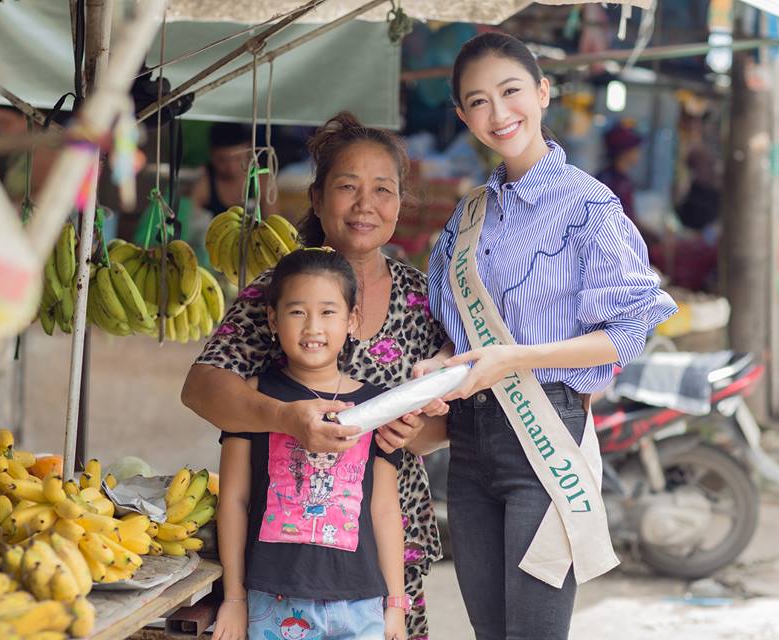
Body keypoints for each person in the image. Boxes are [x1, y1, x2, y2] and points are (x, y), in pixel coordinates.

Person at [425, 33, 676, 640]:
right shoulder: (470, 213)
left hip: (543, 438)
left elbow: (631, 325)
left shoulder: (588, 204)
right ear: (463, 116)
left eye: (511, 91)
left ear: (541, 93)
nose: (498, 113)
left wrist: (516, 357)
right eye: (478, 101)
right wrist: (434, 366)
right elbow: (450, 325)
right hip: (469, 444)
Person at [182, 112, 449, 640]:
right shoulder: (281, 289)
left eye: (383, 190)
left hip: (386, 545)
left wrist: (414, 434)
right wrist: (284, 418)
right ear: (319, 197)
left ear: (400, 203)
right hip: (286, 557)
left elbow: (446, 420)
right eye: (347, 187)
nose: (365, 205)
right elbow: (202, 389)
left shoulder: (423, 298)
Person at [212, 249, 407, 640]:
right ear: (273, 318)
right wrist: (234, 597)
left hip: (360, 601)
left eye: (328, 312)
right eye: (297, 311)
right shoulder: (257, 398)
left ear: (352, 320)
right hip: (274, 598)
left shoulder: (377, 406)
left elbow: (385, 510)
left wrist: (396, 606)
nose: (312, 327)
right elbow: (233, 499)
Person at [190, 122, 279, 217]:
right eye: (222, 160)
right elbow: (189, 220)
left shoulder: (262, 181)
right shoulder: (203, 183)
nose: (231, 167)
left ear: (249, 152)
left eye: (237, 159)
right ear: (212, 155)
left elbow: (273, 221)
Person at [595, 121, 642, 224]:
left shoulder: (614, 178)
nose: (639, 152)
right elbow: (624, 220)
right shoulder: (614, 182)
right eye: (635, 148)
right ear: (625, 152)